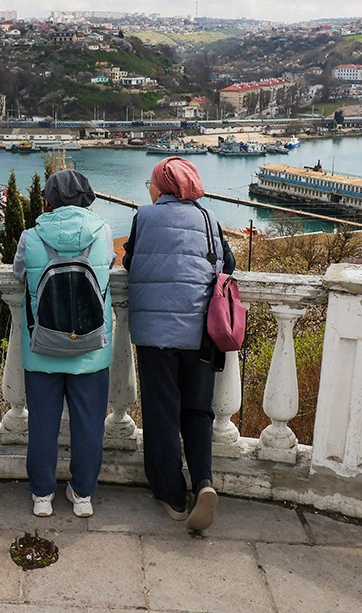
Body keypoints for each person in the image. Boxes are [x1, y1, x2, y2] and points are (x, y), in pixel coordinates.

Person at [122, 156, 236, 531]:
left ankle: (172, 496)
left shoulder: (144, 216)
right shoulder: (208, 218)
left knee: (162, 412)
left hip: (156, 334)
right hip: (200, 332)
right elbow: (227, 265)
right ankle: (203, 481)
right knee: (198, 411)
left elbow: (130, 261)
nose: (149, 190)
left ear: (163, 187)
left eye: (151, 183)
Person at [14, 169, 114, 518]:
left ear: (49, 199)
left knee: (43, 422)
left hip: (41, 346)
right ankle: (82, 494)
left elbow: (18, 273)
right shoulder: (103, 230)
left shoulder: (31, 235)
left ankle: (42, 495)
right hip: (91, 347)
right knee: (89, 423)